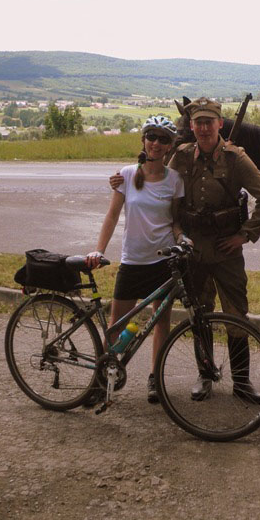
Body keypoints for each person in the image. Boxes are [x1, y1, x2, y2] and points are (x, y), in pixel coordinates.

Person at [168, 97, 260, 404]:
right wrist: (178, 233)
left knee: (236, 314)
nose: (203, 129)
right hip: (194, 252)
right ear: (191, 126)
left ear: (219, 124)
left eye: (209, 122)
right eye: (198, 123)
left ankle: (241, 382)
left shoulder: (235, 159)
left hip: (226, 251)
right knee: (198, 314)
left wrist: (245, 235)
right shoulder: (181, 157)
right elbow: (167, 198)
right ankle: (205, 377)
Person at [86, 116, 184, 404]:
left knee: (160, 323)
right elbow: (112, 216)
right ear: (143, 140)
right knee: (116, 325)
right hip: (132, 262)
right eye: (151, 136)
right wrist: (99, 250)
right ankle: (99, 378)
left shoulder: (175, 180)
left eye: (163, 139)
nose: (156, 143)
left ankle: (155, 378)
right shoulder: (127, 175)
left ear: (170, 147)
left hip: (162, 262)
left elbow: (175, 222)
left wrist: (182, 240)